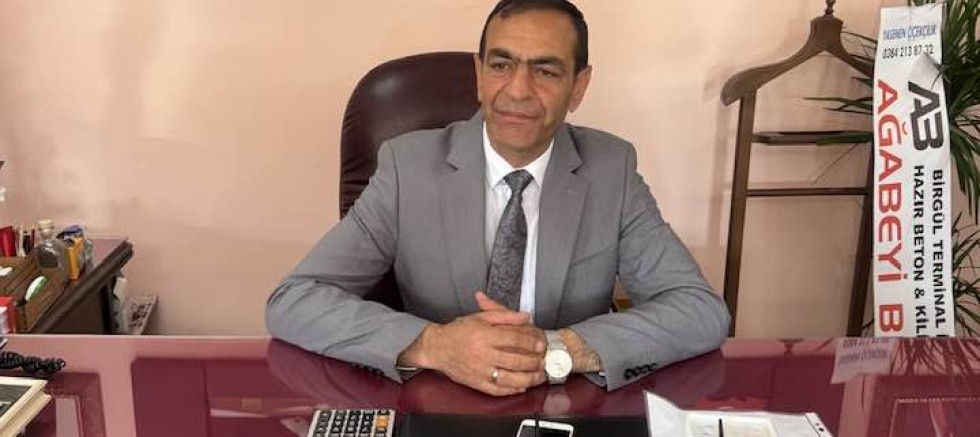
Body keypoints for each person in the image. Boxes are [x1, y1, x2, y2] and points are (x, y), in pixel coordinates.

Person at [266, 0, 729, 396]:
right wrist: (434, 345)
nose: (518, 90)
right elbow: (294, 299)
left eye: (545, 70)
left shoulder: (612, 171)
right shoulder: (407, 168)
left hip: (565, 406)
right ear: (479, 74)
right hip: (436, 401)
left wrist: (558, 349)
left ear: (579, 86)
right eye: (501, 65)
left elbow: (700, 310)